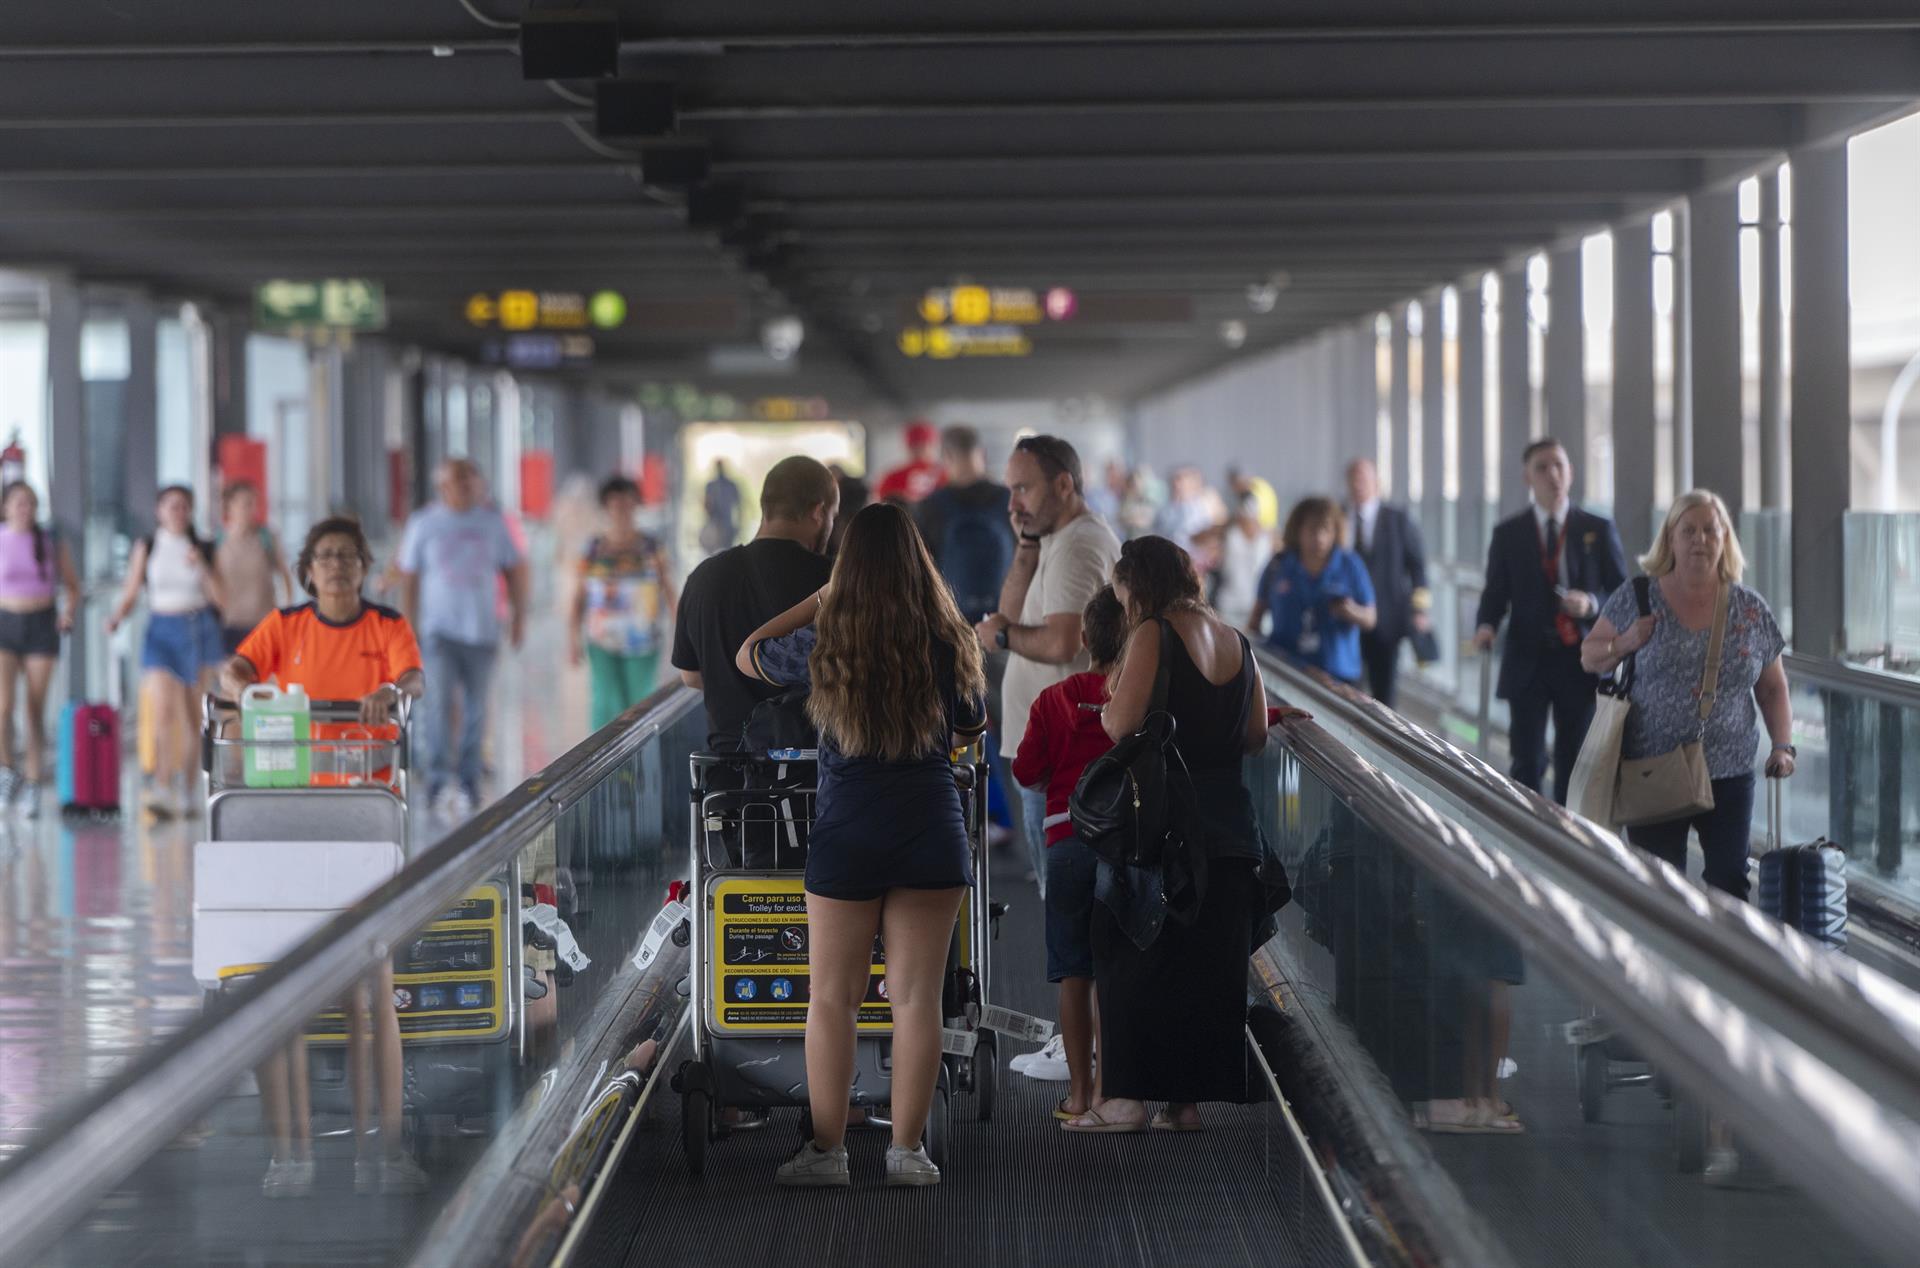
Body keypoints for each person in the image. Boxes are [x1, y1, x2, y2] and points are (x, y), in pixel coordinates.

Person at [735, 502, 989, 1188]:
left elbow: (747, 654)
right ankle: (908, 1151)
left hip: (849, 827)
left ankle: (827, 1152)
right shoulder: (947, 634)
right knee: (916, 999)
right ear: (919, 562)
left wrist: (819, 599)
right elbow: (972, 722)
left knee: (833, 999)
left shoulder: (829, 636)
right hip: (932, 824)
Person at [221, 516, 428, 1198]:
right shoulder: (284, 627)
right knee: (279, 990)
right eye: (325, 557)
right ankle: (292, 1155)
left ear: (364, 567)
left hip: (366, 817)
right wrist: (234, 689)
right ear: (307, 569)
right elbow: (240, 670)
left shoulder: (386, 627)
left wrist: (390, 694)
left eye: (348, 556)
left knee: (372, 991)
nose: (336, 566)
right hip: (290, 817)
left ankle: (384, 1151)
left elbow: (413, 683)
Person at [1064, 536, 1280, 1133]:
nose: (1119, 598)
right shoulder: (1236, 639)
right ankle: (1182, 1105)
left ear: (1140, 584)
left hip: (1163, 824)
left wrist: (1110, 704)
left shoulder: (1154, 633)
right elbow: (1257, 733)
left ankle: (1126, 1100)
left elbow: (1123, 724)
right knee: (1206, 967)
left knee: (1126, 945)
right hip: (1230, 824)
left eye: (1122, 586)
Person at [1581, 490, 1793, 899]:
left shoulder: (1750, 609)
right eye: (1689, 530)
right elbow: (1589, 657)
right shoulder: (1639, 596)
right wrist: (1624, 642)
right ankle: (1663, 960)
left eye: (1710, 530)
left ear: (1725, 540)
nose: (1700, 539)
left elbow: (1772, 687)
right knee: (1659, 883)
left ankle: (1721, 960)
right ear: (1671, 539)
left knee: (1729, 881)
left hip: (1729, 773)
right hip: (1653, 766)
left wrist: (1783, 746)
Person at [974, 436, 1123, 899]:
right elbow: (1012, 610)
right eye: (1010, 490)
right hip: (1049, 748)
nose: (1013, 504)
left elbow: (1062, 642)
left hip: (1066, 752)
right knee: (1059, 899)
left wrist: (998, 637)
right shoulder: (1051, 538)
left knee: (1069, 904)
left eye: (1023, 489)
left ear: (1063, 484)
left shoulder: (1080, 546)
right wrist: (1026, 546)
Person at [1011, 586, 1127, 1120]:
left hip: (1064, 845)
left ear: (1083, 639)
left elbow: (1025, 772)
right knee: (1114, 974)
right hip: (1123, 847)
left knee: (1073, 975)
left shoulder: (1054, 701)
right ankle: (1111, 1093)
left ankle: (1078, 1096)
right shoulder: (1136, 701)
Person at [1474, 438, 1629, 804]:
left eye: (1559, 465)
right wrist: (1486, 625)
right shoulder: (1508, 533)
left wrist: (1591, 603)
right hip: (1527, 657)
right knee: (1526, 758)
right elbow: (1495, 591)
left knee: (1573, 758)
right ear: (1528, 477)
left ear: (1571, 473)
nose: (1552, 474)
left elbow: (1622, 594)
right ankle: (1525, 833)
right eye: (1542, 468)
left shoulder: (1597, 528)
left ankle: (1564, 840)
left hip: (1578, 659)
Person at [673, 455, 838, 754]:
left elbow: (691, 676)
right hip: (811, 776)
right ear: (818, 512)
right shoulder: (835, 582)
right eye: (833, 516)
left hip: (728, 776)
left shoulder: (703, 577)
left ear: (766, 507)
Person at [398, 457, 527, 820]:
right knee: (437, 705)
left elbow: (514, 569)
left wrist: (519, 615)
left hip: (483, 630)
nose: (468, 487)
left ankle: (469, 778)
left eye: (472, 480)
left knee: (477, 709)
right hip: (438, 631)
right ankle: (437, 778)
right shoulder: (425, 523)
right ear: (444, 486)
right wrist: (408, 626)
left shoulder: (493, 523)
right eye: (459, 481)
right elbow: (410, 576)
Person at [106, 485, 227, 818]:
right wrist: (117, 616)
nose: (177, 512)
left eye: (184, 506)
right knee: (162, 714)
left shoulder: (202, 546)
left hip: (197, 629)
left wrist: (201, 564)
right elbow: (132, 590)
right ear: (159, 510)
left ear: (190, 511)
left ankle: (188, 788)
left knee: (192, 718)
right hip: (160, 630)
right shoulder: (147, 546)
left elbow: (220, 598)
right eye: (171, 506)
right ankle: (161, 785)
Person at [569, 476, 676, 731]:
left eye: (627, 504)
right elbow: (578, 596)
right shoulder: (593, 549)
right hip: (601, 638)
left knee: (639, 702)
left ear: (636, 505)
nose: (621, 510)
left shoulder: (651, 547)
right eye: (615, 504)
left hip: (643, 639)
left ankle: (638, 762)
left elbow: (668, 588)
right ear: (606, 507)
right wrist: (571, 637)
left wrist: (681, 628)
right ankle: (601, 764)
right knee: (605, 701)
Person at [0, 482, 79, 817]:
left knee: (34, 709)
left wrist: (67, 613)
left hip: (41, 624)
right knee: (3, 706)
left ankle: (33, 781)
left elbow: (72, 587)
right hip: (5, 622)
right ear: (6, 508)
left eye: (30, 504)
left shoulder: (49, 541)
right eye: (19, 503)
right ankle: (7, 771)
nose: (25, 510)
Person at [1251, 497, 1377, 687]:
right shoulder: (1279, 566)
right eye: (1311, 530)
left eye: (1326, 530)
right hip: (1286, 674)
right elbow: (1255, 620)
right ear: (1298, 531)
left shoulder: (1349, 565)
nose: (1319, 538)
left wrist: (1350, 612)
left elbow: (1370, 619)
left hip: (1339, 678)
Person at [1344, 458, 1431, 707]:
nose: (1358, 484)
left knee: (1385, 695)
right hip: (1348, 622)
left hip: (1388, 620)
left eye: (1363, 478)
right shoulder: (1339, 517)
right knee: (1348, 692)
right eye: (1353, 478)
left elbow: (1417, 566)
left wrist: (1420, 609)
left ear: (1377, 483)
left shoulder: (1397, 519)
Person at [914, 425, 1016, 624]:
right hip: (1002, 622)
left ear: (946, 456)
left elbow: (920, 568)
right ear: (981, 453)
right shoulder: (1009, 500)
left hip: (949, 621)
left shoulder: (931, 505)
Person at [213, 480, 294, 655]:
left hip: (264, 620)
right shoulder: (217, 541)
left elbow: (285, 575)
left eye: (253, 504)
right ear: (230, 506)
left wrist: (286, 609)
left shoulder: (267, 537)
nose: (251, 509)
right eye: (245, 504)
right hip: (230, 623)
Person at [1213, 493, 1273, 630]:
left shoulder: (1268, 535)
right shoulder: (1228, 531)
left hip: (1255, 607)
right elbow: (1195, 537)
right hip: (1228, 603)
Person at [874, 420, 946, 505]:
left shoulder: (944, 475)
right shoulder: (892, 478)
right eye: (915, 446)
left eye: (923, 446)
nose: (919, 450)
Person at [700, 459, 743, 555]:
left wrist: (739, 525)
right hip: (716, 526)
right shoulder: (711, 486)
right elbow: (707, 506)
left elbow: (739, 506)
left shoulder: (731, 485)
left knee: (725, 554)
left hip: (726, 526)